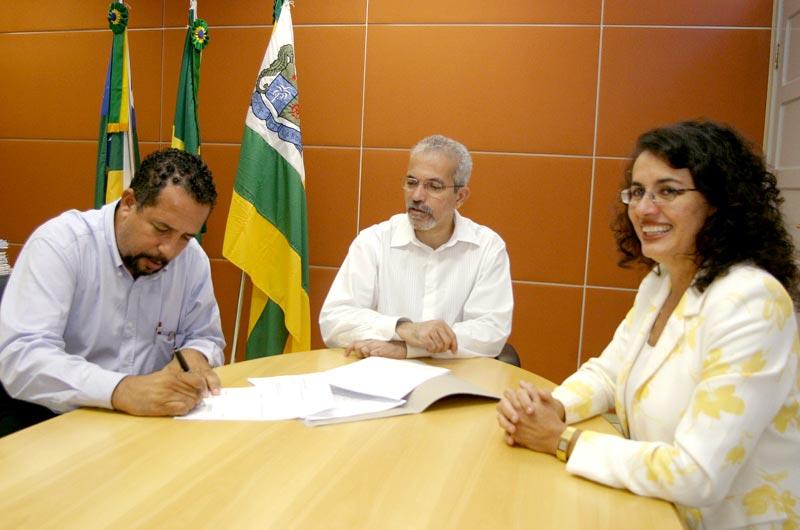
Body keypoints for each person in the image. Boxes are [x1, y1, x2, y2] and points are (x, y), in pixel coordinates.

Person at [496, 121, 800, 529]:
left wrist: (560, 439)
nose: (643, 208)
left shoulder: (752, 302)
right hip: (655, 508)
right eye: (637, 192)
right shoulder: (661, 280)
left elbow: (697, 475)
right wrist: (552, 407)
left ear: (718, 201)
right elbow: (609, 373)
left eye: (668, 191)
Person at [0, 148, 226, 436]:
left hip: (146, 424)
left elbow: (205, 336)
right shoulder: (61, 245)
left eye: (185, 236)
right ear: (129, 202)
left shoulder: (191, 259)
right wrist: (120, 389)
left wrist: (196, 354)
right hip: (52, 422)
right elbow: (23, 357)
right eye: (161, 229)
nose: (169, 250)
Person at [319, 134, 513, 359]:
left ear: (460, 197)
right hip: (380, 374)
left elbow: (490, 333)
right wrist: (403, 328)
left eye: (434, 187)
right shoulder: (373, 241)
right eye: (412, 183)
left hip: (455, 375)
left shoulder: (487, 247)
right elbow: (334, 320)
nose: (417, 196)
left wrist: (406, 349)